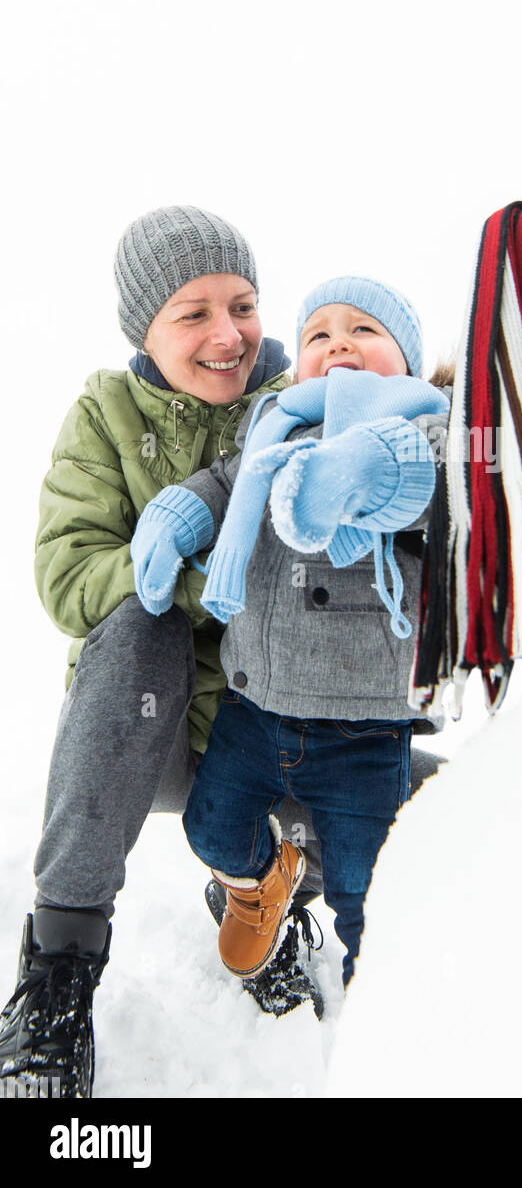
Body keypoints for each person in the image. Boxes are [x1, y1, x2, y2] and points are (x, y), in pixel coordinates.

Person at [0, 207, 443, 1099]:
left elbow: (432, 517)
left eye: (241, 305)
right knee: (134, 620)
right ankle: (58, 973)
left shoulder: (311, 399)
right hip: (152, 737)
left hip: (309, 713)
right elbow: (68, 574)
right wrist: (225, 580)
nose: (227, 334)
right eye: (191, 314)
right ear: (144, 331)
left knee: (434, 806)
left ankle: (273, 907)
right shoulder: (107, 414)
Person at [131, 276, 450, 987]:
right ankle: (259, 886)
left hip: (366, 730)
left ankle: (390, 999)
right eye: (317, 333)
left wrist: (363, 469)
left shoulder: (429, 427)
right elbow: (225, 482)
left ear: (406, 360)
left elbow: (434, 491)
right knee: (210, 830)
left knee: (362, 888)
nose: (338, 341)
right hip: (255, 707)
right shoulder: (273, 422)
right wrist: (177, 513)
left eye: (363, 329)